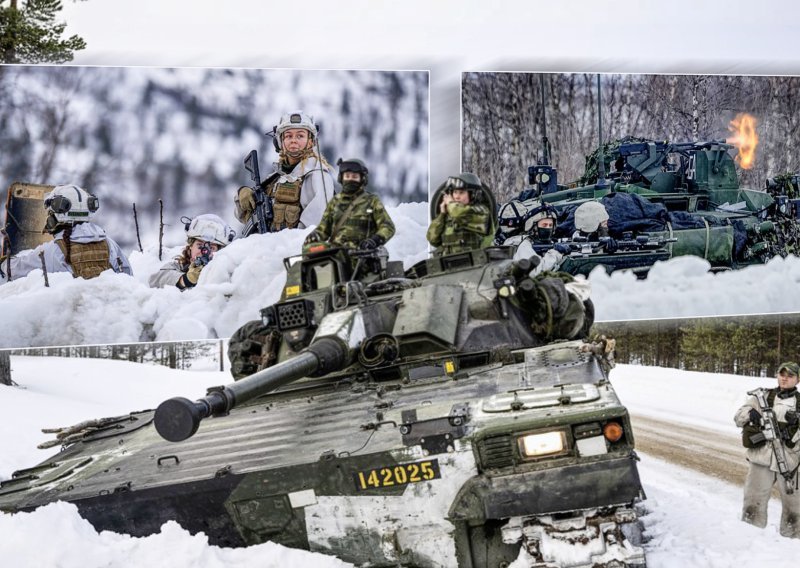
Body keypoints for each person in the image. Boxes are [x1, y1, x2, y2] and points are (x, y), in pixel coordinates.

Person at [0, 184, 131, 282]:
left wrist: (4, 262)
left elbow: (12, 271)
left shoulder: (52, 251)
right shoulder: (109, 244)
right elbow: (128, 278)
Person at [234, 110, 336, 234]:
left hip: (294, 246)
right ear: (280, 141)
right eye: (288, 136)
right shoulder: (276, 178)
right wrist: (243, 194)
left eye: (300, 136)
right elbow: (243, 216)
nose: (293, 140)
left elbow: (314, 229)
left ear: (311, 141)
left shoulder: (317, 176)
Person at [734, 361, 800, 539]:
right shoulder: (762, 397)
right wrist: (750, 414)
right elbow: (738, 418)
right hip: (761, 460)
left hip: (791, 464)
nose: (785, 378)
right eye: (782, 374)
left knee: (795, 509)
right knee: (753, 502)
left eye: (790, 376)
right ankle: (749, 539)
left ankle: (793, 545)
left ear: (798, 379)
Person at [303, 158, 395, 251]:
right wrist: (314, 236)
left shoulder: (371, 201)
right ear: (341, 178)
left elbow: (388, 227)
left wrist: (374, 240)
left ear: (362, 179)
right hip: (336, 252)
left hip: (362, 253)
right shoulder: (335, 202)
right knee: (308, 250)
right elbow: (323, 230)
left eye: (354, 177)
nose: (350, 179)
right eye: (347, 176)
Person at [149, 214, 236, 290]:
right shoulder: (177, 267)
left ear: (219, 251)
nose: (204, 252)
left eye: (211, 248)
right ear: (190, 246)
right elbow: (155, 280)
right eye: (200, 245)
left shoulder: (226, 272)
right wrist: (186, 280)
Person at [426, 172, 493, 256]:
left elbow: (459, 214)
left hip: (477, 261)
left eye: (461, 192)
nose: (457, 196)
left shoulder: (481, 212)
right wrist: (442, 215)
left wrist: (450, 203)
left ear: (473, 194)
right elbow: (432, 239)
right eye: (455, 192)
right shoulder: (449, 215)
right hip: (450, 262)